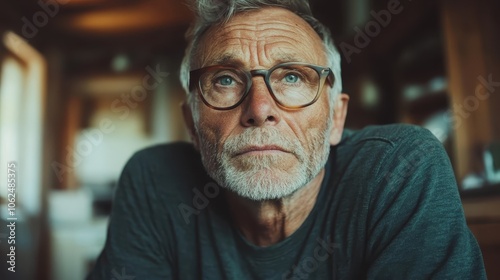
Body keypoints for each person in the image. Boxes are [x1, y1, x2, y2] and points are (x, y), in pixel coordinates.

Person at [88, 0, 486, 279]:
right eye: (225, 79)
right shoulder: (153, 180)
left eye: (292, 77)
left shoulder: (401, 168)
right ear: (192, 125)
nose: (260, 108)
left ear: (337, 118)